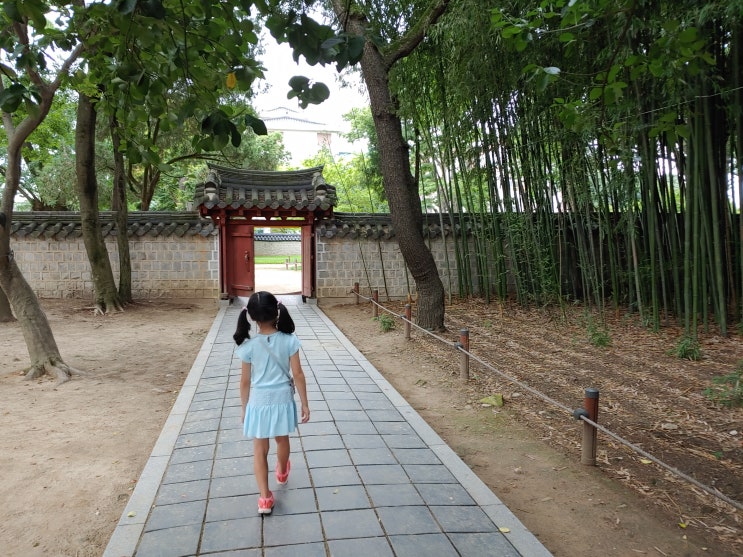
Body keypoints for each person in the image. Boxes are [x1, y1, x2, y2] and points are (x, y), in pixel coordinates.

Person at [233, 291, 310, 515]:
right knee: (282, 439)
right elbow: (298, 374)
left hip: (258, 401)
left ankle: (265, 498)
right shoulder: (290, 340)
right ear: (277, 312)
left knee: (259, 449)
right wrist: (305, 404)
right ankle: (282, 471)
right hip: (282, 399)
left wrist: (244, 408)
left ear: (252, 318)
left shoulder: (248, 347)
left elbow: (245, 381)